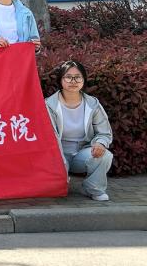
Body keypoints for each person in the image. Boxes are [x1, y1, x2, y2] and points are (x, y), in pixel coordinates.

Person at [45, 61, 113, 202]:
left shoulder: (93, 104)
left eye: (78, 77)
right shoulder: (49, 105)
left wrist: (100, 143)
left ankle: (93, 188)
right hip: (57, 154)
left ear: (84, 80)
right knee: (56, 190)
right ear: (60, 80)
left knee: (105, 155)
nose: (73, 81)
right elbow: (47, 137)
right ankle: (59, 181)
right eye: (68, 77)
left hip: (81, 153)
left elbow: (104, 132)